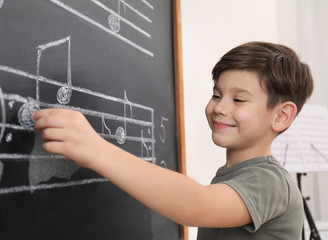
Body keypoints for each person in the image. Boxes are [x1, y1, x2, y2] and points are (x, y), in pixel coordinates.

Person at [33, 41, 314, 239]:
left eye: (238, 99)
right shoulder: (234, 176)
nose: (219, 107)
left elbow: (198, 206)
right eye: (217, 95)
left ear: (281, 116)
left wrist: (96, 150)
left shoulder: (271, 180)